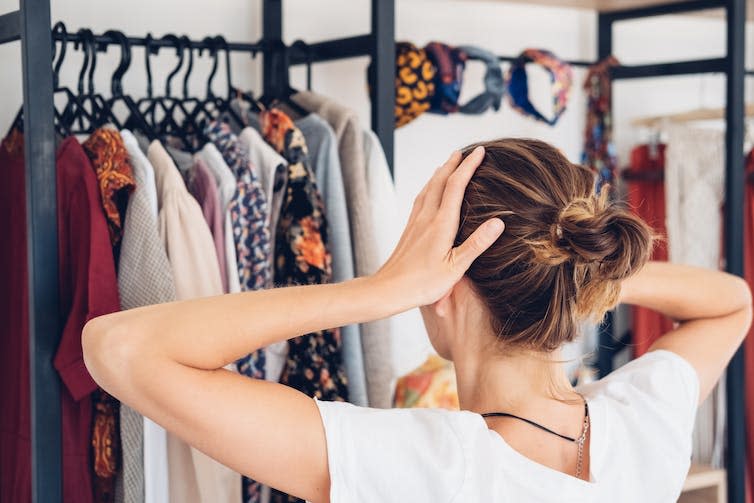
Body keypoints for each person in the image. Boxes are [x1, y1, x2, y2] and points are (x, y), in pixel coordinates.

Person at [83, 139, 751, 502]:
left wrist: (376, 291)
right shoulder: (644, 422)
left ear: (441, 283)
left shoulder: (425, 466)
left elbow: (117, 345)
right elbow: (733, 302)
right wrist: (578, 267)